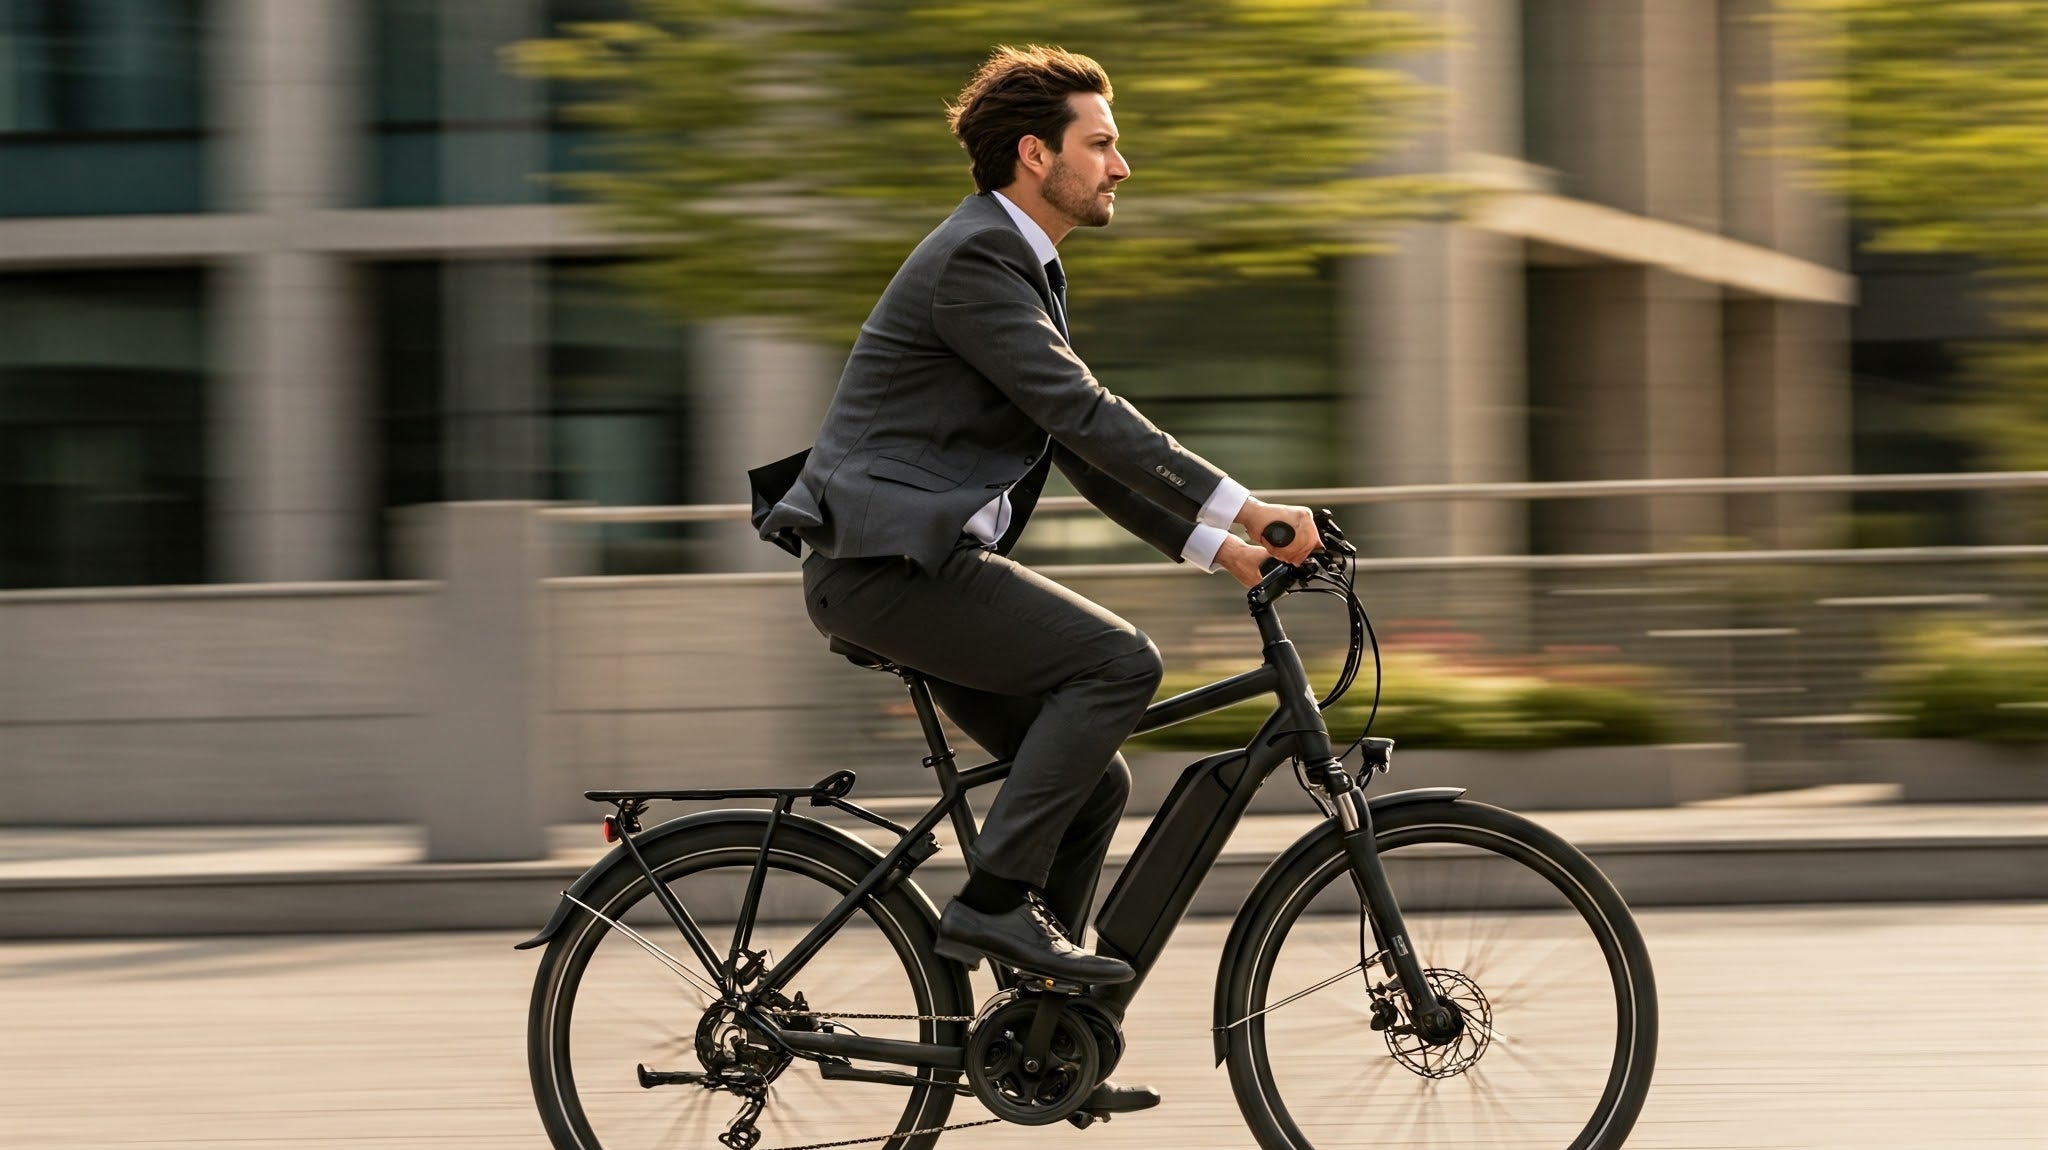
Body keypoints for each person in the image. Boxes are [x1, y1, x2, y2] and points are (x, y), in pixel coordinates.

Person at [751, 45, 1320, 1108]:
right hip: (886, 570)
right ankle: (993, 902)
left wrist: (1219, 547)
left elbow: (1070, 445)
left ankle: (1043, 1029)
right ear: (1032, 155)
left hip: (910, 567)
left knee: (1090, 774)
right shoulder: (976, 259)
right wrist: (1246, 503)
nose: (1121, 166)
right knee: (1116, 664)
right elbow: (1085, 415)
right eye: (1100, 143)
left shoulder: (1018, 261)